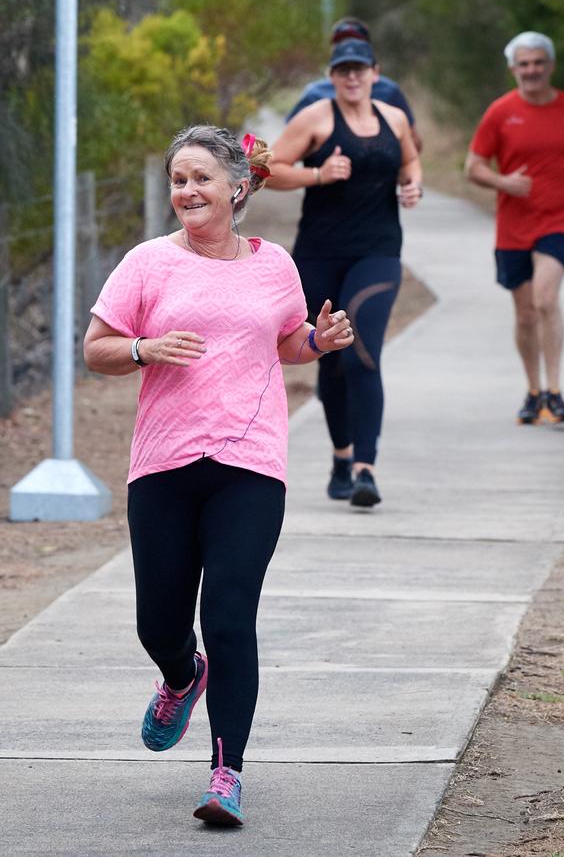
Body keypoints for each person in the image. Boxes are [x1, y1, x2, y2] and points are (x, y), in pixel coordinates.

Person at [83, 126, 353, 827]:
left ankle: (227, 772)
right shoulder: (148, 263)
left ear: (237, 187)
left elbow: (288, 340)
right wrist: (143, 347)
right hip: (165, 463)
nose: (187, 191)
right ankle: (181, 674)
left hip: (250, 465)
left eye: (200, 177)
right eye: (178, 179)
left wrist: (318, 341)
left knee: (230, 616)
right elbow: (97, 348)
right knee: (159, 624)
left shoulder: (275, 266)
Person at [266, 37, 422, 507]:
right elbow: (268, 169)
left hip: (378, 251)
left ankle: (365, 470)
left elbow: (410, 159)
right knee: (330, 358)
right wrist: (318, 174)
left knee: (362, 352)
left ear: (375, 73)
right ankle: (340, 455)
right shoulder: (315, 118)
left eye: (360, 69)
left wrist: (411, 184)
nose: (352, 77)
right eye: (342, 70)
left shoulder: (393, 118)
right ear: (331, 76)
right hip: (319, 254)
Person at [465, 31, 564, 425]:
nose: (531, 70)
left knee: (545, 298)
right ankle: (533, 391)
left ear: (551, 66)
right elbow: (472, 167)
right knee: (525, 314)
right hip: (513, 226)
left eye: (538, 63)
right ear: (513, 69)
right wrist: (504, 182)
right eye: (524, 64)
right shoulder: (500, 112)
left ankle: (556, 392)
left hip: (559, 219)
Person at [286, 17, 423, 152]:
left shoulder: (389, 91)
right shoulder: (315, 94)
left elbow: (413, 145)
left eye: (356, 43)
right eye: (341, 43)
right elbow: (289, 144)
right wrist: (319, 170)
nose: (349, 49)